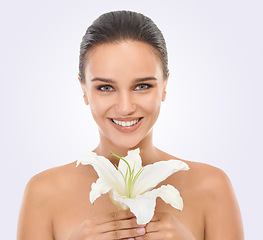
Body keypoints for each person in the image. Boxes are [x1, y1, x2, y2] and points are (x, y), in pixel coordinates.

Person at [17, 10, 244, 240]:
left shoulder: (212, 188)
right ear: (84, 90)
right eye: (106, 87)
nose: (125, 107)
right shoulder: (43, 194)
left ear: (165, 85)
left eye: (142, 86)